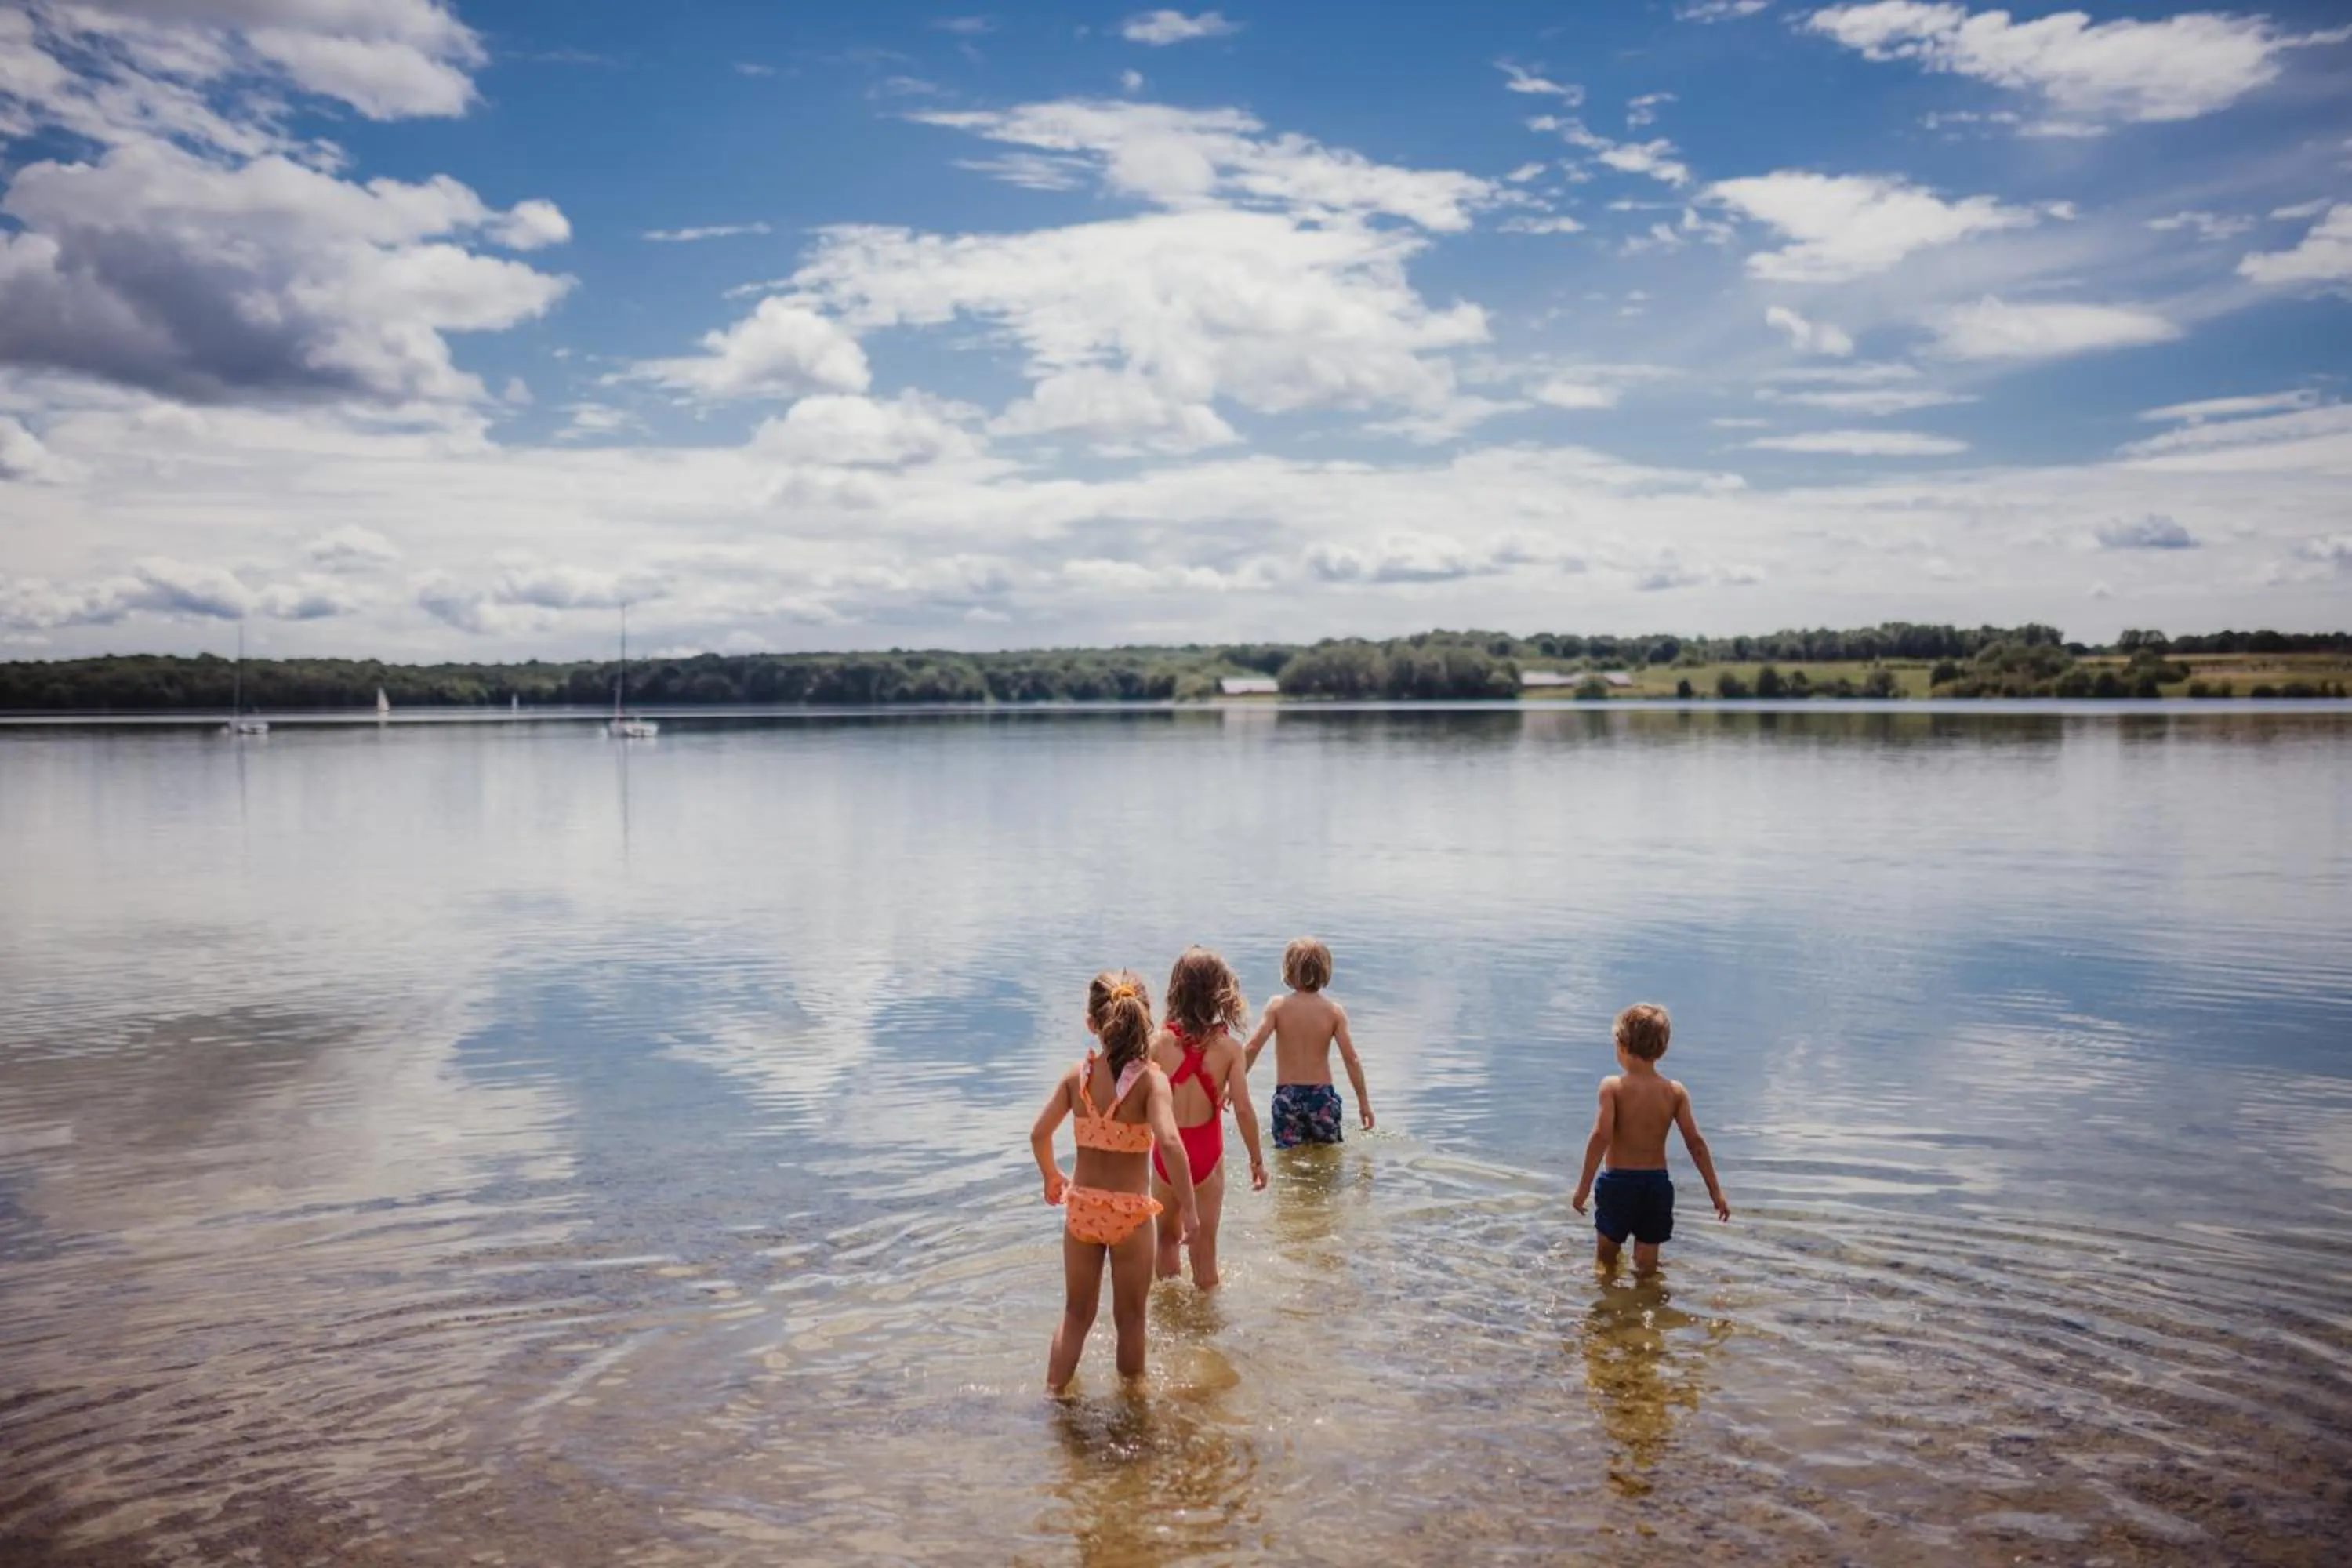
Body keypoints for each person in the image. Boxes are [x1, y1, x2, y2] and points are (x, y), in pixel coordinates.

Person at [1031, 971, 1200, 1392]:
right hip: (1130, 1214)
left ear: (1093, 1023)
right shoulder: (1152, 1081)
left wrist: (1051, 1174)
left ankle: (1054, 1396)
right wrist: (1190, 1210)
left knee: (1076, 1314)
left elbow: (1039, 1133)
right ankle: (1132, 1406)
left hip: (1083, 1208)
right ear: (1147, 1019)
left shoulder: (1077, 1077)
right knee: (1131, 1319)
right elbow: (1170, 1143)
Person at [1570, 1004, 1730, 1274]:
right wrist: (1715, 1191)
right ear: (1663, 1049)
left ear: (1621, 1045)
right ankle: (1649, 1307)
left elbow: (1601, 1136)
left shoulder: (1612, 1087)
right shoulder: (1674, 1092)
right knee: (1647, 1266)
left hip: (1618, 1184)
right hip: (1656, 1186)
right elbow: (1696, 1144)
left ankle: (1609, 1308)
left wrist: (1583, 1187)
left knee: (1606, 1260)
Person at [1150, 947, 1267, 1289]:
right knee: (1205, 1249)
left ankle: (1170, 1308)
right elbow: (1243, 1109)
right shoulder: (1229, 1050)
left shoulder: (1157, 1043)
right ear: (1220, 994)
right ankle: (1206, 1327)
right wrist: (1257, 1160)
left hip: (1166, 1155)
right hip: (1205, 1156)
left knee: (1166, 1238)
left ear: (1176, 991)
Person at [1242, 937, 1373, 1148]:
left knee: (1288, 1156)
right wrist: (1363, 1103)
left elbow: (1252, 1047)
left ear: (1288, 971)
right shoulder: (1333, 1012)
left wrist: (1234, 1084)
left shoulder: (1277, 1007)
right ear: (1325, 972)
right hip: (1322, 1097)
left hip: (1287, 1097)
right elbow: (1351, 1059)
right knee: (1326, 1155)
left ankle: (1294, 1183)